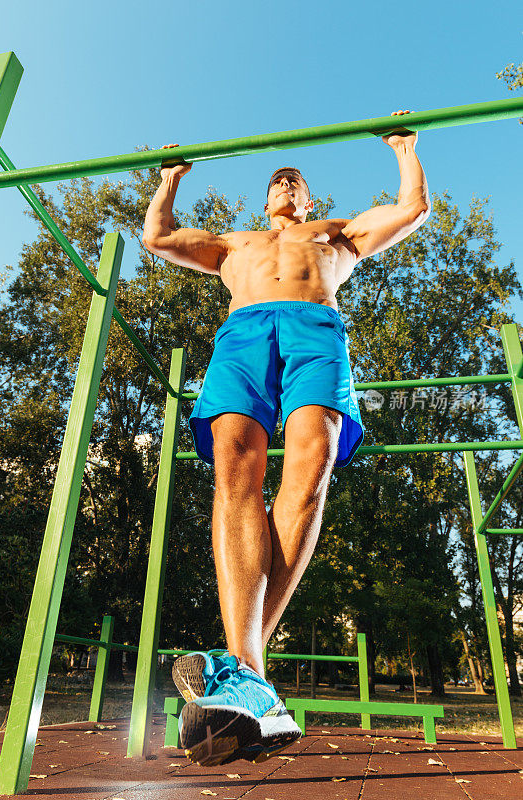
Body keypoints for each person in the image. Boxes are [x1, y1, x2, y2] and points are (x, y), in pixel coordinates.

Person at [142, 110, 430, 766]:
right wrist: (170, 178)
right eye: (276, 178)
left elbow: (412, 208)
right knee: (233, 466)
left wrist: (402, 145)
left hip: (314, 326)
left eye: (294, 179)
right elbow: (157, 237)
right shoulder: (232, 242)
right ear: (264, 200)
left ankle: (242, 671)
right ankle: (253, 679)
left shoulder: (338, 233)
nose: (284, 181)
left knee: (312, 462)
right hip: (244, 332)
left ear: (307, 199)